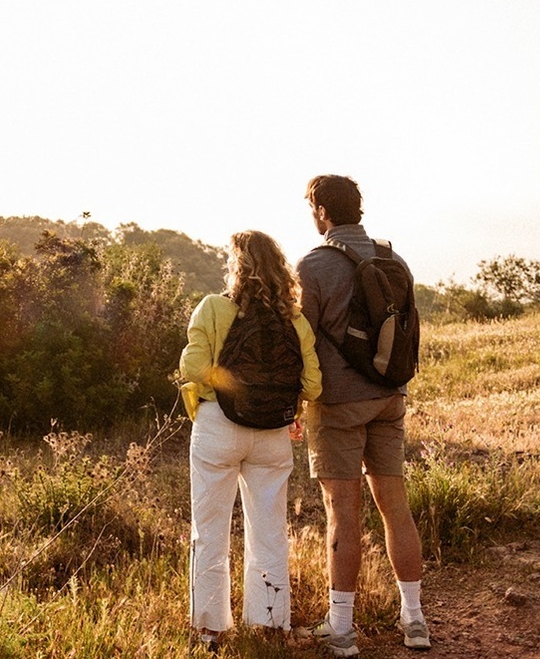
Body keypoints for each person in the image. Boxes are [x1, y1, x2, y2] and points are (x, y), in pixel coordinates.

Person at [297, 175, 431, 655]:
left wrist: (295, 403)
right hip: (389, 397)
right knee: (396, 508)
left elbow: (303, 341)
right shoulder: (394, 258)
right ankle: (414, 621)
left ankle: (341, 628)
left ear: (322, 211)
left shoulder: (313, 265)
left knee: (342, 516)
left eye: (310, 208)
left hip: (337, 406)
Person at [180, 230, 321, 650]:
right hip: (273, 435)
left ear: (236, 267)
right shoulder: (294, 320)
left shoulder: (212, 308)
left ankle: (209, 629)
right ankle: (271, 623)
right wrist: (275, 399)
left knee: (209, 530)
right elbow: (312, 384)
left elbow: (193, 367)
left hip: (217, 429)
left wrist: (232, 389)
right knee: (270, 530)